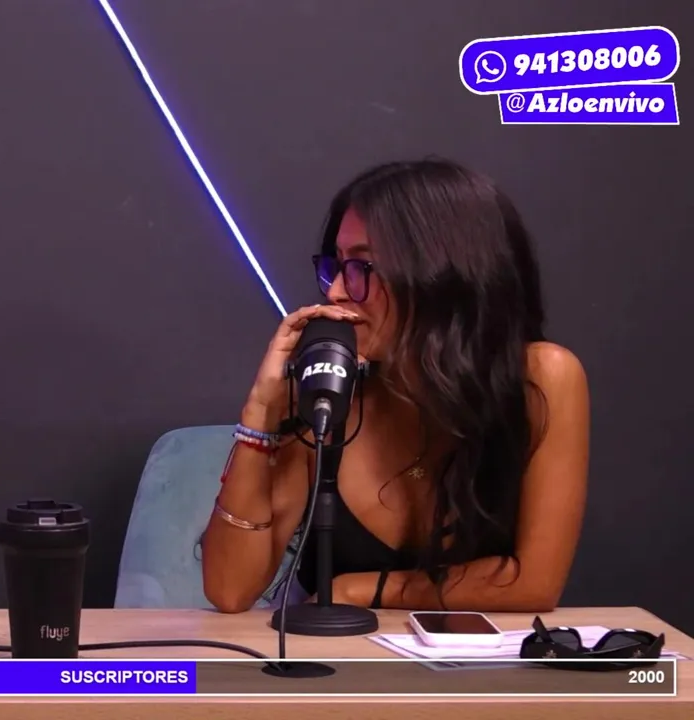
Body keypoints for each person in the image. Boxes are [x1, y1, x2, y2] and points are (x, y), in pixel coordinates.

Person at [201, 158, 590, 614]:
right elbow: (229, 591)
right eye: (338, 266)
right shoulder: (332, 390)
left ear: (442, 272)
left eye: (361, 266)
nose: (336, 292)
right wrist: (260, 412)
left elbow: (533, 584)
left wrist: (357, 589)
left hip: (477, 661)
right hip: (333, 656)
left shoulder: (541, 378)